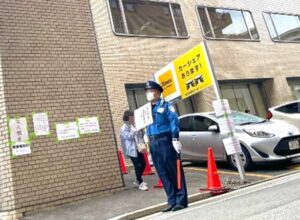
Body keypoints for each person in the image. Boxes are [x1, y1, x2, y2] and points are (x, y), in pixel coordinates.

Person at [144, 80, 188, 212]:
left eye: (151, 91)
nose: (149, 94)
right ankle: (171, 200)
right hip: (153, 142)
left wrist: (175, 138)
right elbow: (145, 124)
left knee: (174, 170)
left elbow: (174, 121)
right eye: (147, 92)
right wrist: (146, 136)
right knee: (162, 172)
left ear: (158, 92)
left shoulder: (166, 105)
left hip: (165, 140)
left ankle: (181, 200)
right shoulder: (146, 109)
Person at [120, 110, 148, 191]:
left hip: (138, 148)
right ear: (128, 118)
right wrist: (135, 131)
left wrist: (140, 130)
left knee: (143, 163)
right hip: (131, 150)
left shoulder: (134, 125)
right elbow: (128, 137)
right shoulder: (124, 128)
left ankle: (137, 179)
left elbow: (139, 136)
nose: (133, 118)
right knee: (137, 165)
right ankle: (140, 182)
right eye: (132, 117)